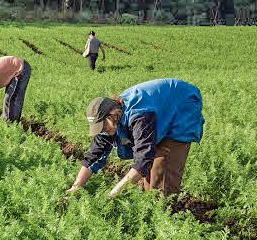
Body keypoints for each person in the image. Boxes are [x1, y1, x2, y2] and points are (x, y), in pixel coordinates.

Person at [66, 78, 204, 198]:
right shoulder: (113, 118)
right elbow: (93, 155)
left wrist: (112, 195)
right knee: (149, 175)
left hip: (182, 106)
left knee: (162, 171)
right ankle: (150, 204)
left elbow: (142, 160)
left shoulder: (139, 116)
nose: (103, 131)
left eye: (102, 126)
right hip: (160, 110)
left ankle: (163, 211)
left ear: (111, 115)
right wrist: (75, 188)